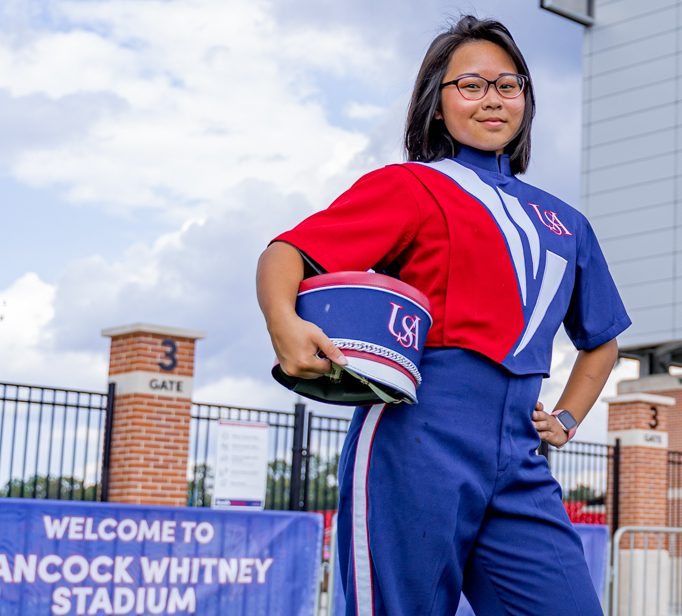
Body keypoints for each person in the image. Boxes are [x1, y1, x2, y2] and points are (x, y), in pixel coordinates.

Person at [256, 15, 629, 616]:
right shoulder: (411, 186)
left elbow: (602, 340)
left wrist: (566, 417)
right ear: (437, 104)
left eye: (509, 86)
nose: (493, 99)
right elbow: (288, 253)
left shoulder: (569, 224)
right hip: (418, 435)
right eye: (472, 85)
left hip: (520, 454)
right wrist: (284, 321)